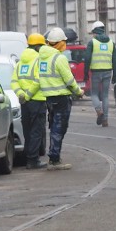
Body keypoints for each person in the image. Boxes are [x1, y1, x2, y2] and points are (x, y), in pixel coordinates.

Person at [39, 27, 83, 170]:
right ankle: (54, 159)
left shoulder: (42, 57)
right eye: (64, 42)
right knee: (59, 128)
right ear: (59, 43)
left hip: (49, 99)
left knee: (54, 127)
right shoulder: (59, 58)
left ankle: (54, 156)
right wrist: (78, 91)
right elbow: (69, 79)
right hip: (61, 98)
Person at [12, 33, 48, 170]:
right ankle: (33, 160)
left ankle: (29, 157)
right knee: (37, 131)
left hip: (24, 103)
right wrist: (28, 94)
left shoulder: (20, 63)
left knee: (27, 130)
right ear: (38, 47)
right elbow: (39, 79)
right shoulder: (40, 60)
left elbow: (14, 81)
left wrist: (21, 94)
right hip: (37, 100)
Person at [83, 20, 116, 128]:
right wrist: (115, 75)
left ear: (95, 31)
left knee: (94, 94)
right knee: (105, 96)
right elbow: (115, 60)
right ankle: (105, 120)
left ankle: (99, 112)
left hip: (96, 72)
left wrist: (86, 73)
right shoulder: (111, 43)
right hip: (108, 71)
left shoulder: (92, 43)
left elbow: (87, 58)